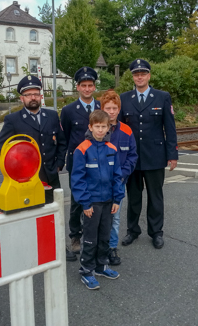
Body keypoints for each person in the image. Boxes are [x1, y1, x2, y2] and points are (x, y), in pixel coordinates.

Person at [0, 75, 75, 262]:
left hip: (50, 175)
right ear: (21, 98)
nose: (33, 97)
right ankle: (29, 250)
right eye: (28, 94)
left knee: (54, 214)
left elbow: (62, 142)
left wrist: (59, 164)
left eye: (36, 94)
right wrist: (14, 174)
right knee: (27, 215)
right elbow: (2, 149)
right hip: (25, 180)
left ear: (41, 96)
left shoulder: (52, 116)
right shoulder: (13, 120)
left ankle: (58, 247)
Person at [119, 59, 178, 249]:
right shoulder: (124, 98)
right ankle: (132, 231)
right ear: (132, 77)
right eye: (136, 74)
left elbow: (170, 127)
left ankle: (156, 232)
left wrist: (172, 154)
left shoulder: (162, 97)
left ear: (149, 75)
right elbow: (119, 129)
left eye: (143, 73)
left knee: (155, 196)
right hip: (132, 157)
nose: (139, 77)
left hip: (155, 155)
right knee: (133, 196)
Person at [71, 110, 124, 290]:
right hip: (91, 203)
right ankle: (86, 270)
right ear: (90, 127)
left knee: (105, 236)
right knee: (90, 238)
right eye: (97, 127)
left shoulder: (112, 149)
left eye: (104, 127)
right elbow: (78, 179)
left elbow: (118, 176)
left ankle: (101, 266)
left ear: (109, 127)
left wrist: (117, 199)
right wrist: (85, 203)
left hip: (109, 201)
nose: (100, 130)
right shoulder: (82, 149)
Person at [60, 67, 101, 258]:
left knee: (97, 200)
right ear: (77, 87)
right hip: (77, 164)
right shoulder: (68, 111)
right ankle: (75, 236)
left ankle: (94, 236)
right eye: (83, 85)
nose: (87, 89)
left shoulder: (102, 107)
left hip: (99, 162)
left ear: (94, 86)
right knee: (77, 202)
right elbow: (66, 137)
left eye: (90, 85)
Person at [101, 90, 138, 266]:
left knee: (114, 217)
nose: (112, 111)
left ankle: (112, 248)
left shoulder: (126, 130)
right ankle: (98, 247)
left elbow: (132, 156)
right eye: (108, 108)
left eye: (115, 108)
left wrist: (122, 175)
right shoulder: (97, 129)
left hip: (118, 183)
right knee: (98, 217)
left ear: (119, 109)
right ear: (102, 109)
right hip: (98, 184)